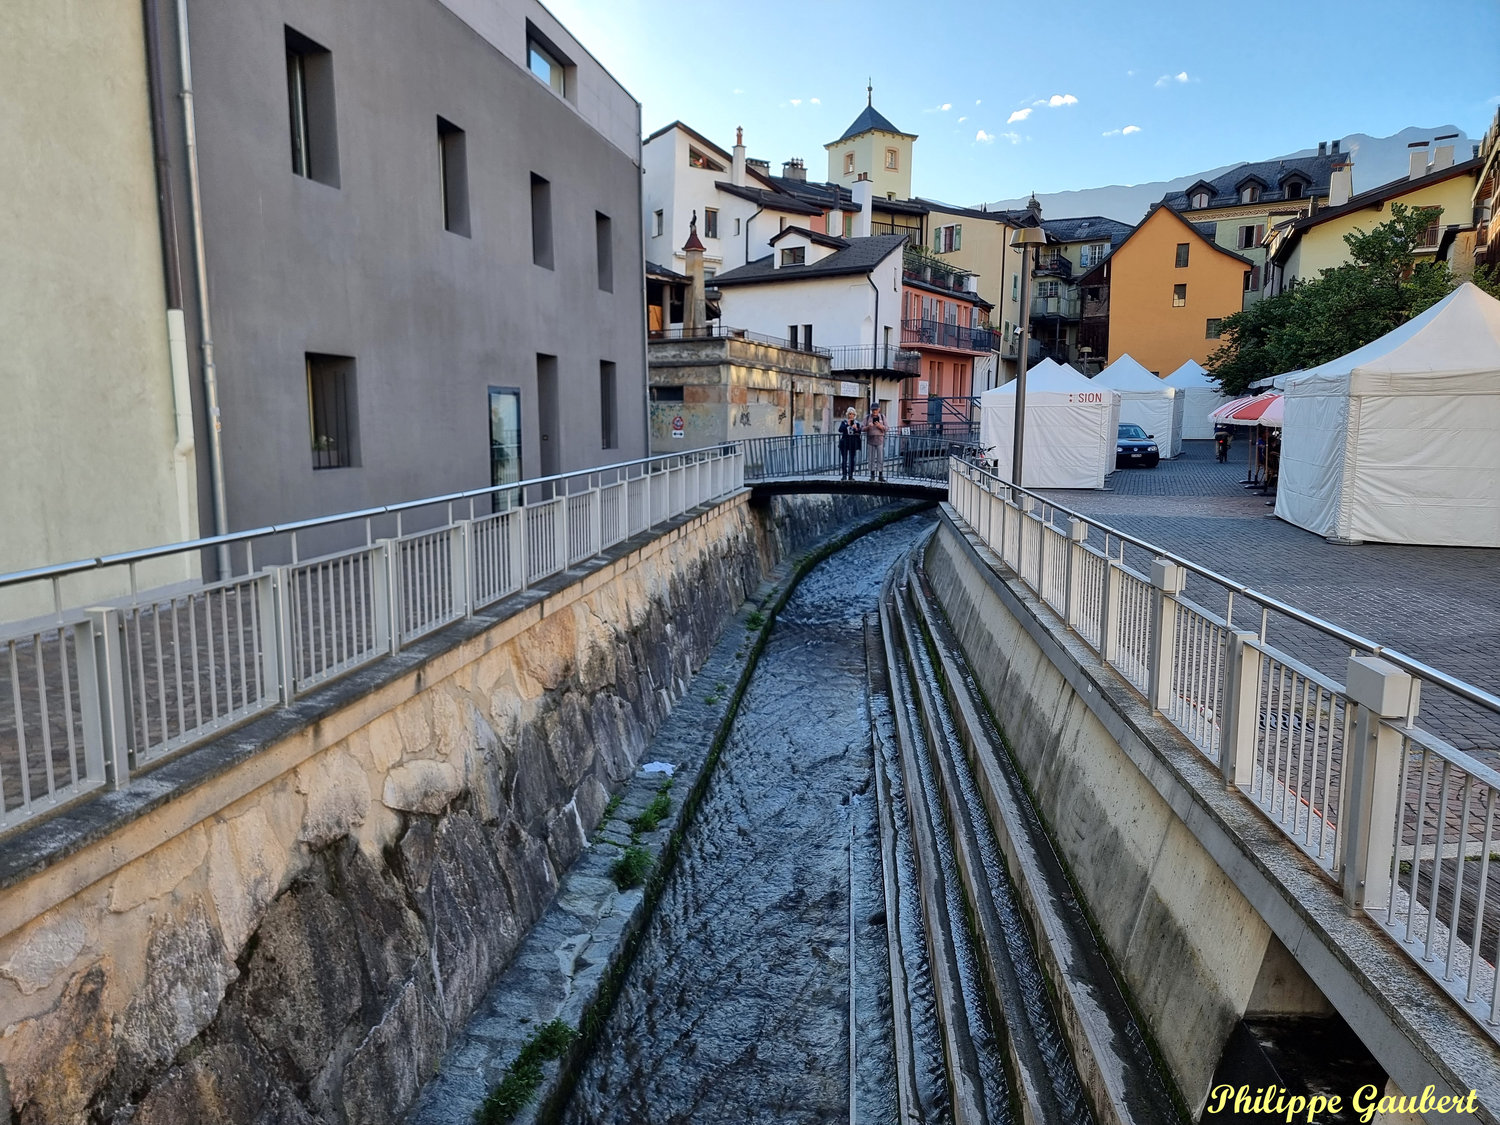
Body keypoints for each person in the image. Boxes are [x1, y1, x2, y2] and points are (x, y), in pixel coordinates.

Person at [864, 404, 889, 481]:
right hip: (870, 440)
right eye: (873, 410)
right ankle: (872, 475)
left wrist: (880, 426)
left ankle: (880, 475)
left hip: (880, 440)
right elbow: (862, 428)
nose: (874, 411)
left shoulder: (882, 417)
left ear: (879, 409)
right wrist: (868, 427)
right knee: (871, 458)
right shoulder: (867, 417)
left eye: (876, 409)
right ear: (871, 410)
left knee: (880, 458)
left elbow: (887, 428)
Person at [837, 408, 862, 480]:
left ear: (854, 415)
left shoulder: (856, 423)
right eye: (850, 414)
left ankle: (850, 475)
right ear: (847, 415)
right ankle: (844, 475)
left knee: (852, 459)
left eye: (853, 414)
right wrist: (847, 425)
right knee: (844, 459)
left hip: (853, 442)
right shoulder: (844, 422)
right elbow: (840, 430)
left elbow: (859, 432)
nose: (851, 416)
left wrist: (856, 429)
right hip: (845, 442)